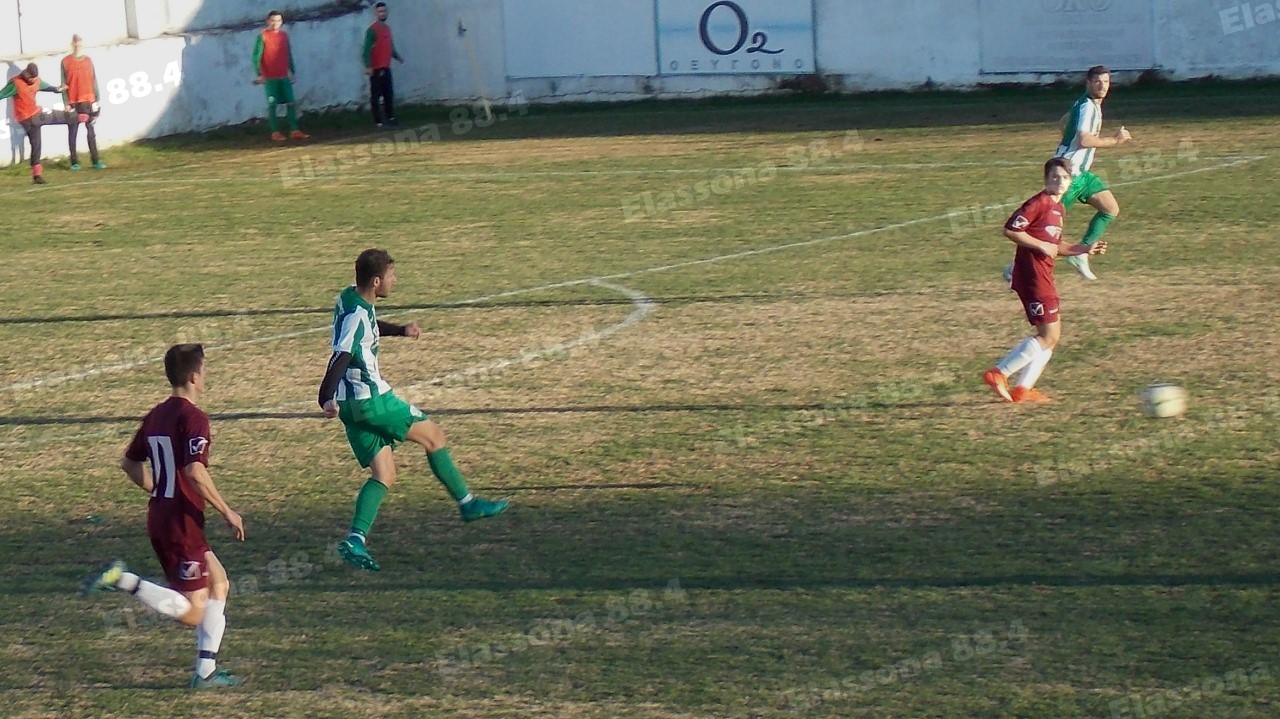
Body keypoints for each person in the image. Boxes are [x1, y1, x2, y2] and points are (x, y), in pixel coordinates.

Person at [318, 249, 509, 572]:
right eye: (391, 275)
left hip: (350, 406)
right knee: (434, 437)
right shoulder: (356, 316)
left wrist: (400, 330)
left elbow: (367, 328)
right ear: (376, 281)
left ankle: (355, 539)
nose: (394, 280)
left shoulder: (349, 297)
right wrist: (324, 396)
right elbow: (342, 353)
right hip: (372, 401)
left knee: (384, 474)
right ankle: (467, 503)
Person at [81, 344, 246, 689]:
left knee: (219, 582)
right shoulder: (194, 418)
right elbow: (196, 471)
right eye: (204, 370)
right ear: (194, 376)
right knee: (194, 612)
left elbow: (130, 464)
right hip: (181, 525)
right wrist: (227, 511)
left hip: (164, 514)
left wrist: (160, 490)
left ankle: (206, 672)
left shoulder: (155, 415)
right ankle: (124, 580)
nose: (206, 376)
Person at [983, 158, 1108, 403]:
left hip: (1044, 274)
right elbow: (1011, 229)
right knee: (1048, 336)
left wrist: (1084, 248)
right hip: (1033, 275)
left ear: (1071, 182)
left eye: (1065, 178)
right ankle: (999, 373)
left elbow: (1055, 245)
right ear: (1046, 179)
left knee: (1051, 336)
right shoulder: (1038, 203)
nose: (1060, 182)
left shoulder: (1058, 208)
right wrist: (1039, 245)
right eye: (1054, 177)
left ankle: (1023, 389)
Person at [0, 63, 70, 184]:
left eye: (34, 78)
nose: (32, 80)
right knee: (55, 117)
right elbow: (2, 94)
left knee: (36, 144)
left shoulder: (36, 81)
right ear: (26, 72)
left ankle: (37, 175)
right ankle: (76, 117)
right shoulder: (15, 83)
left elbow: (46, 87)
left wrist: (57, 89)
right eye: (31, 77)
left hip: (34, 114)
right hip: (26, 118)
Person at [253, 10, 309, 142]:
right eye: (273, 21)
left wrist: (292, 70)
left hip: (284, 75)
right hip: (270, 77)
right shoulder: (262, 36)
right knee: (272, 104)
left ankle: (294, 130)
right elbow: (256, 57)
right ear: (268, 21)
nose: (275, 23)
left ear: (281, 22)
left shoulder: (284, 35)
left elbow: (288, 54)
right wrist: (259, 74)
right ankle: (275, 132)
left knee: (290, 102)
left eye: (278, 21)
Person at [62, 34, 106, 171]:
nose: (78, 47)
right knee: (73, 131)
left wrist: (97, 98)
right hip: (73, 101)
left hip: (88, 99)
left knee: (91, 130)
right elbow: (63, 83)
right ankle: (74, 162)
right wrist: (66, 102)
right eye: (76, 45)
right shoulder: (65, 62)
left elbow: (94, 79)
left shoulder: (88, 61)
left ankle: (95, 160)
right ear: (72, 45)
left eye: (80, 45)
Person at [363, 1, 404, 128]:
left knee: (388, 94)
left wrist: (397, 56)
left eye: (384, 11)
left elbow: (390, 46)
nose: (382, 13)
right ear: (376, 13)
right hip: (376, 68)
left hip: (386, 67)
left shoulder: (387, 29)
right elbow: (366, 50)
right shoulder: (372, 30)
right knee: (376, 96)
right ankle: (379, 122)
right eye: (380, 11)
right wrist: (368, 66)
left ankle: (390, 117)